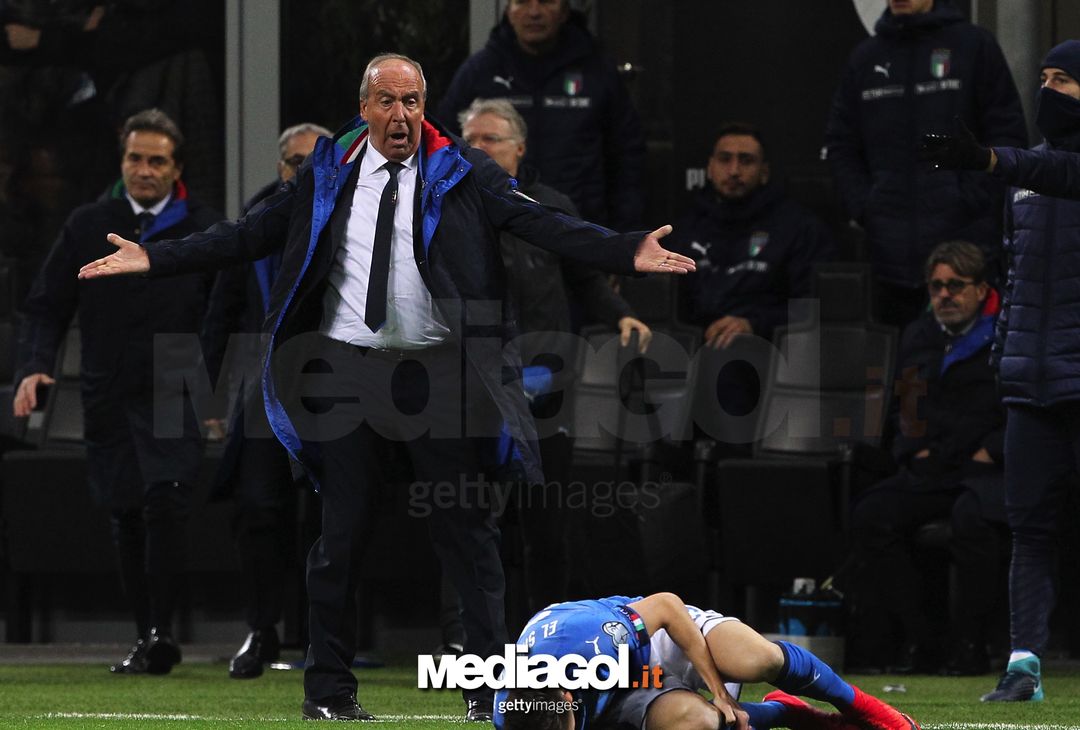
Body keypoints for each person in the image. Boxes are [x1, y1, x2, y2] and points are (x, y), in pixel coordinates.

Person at [75, 54, 694, 722]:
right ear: (365, 105)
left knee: (468, 536)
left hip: (438, 376)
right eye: (389, 101)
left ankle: (487, 694)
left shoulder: (462, 171)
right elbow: (248, 233)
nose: (401, 116)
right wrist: (153, 258)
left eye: (413, 102)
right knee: (338, 537)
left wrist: (624, 250)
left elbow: (540, 221)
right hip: (347, 374)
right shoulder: (325, 173)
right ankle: (328, 693)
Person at [13, 108, 220, 675]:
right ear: (121, 160)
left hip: (175, 378)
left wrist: (220, 390)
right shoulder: (88, 223)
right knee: (126, 512)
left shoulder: (201, 224)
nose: (144, 170)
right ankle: (148, 634)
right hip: (107, 385)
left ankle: (161, 628)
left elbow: (225, 311)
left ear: (176, 166)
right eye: (135, 158)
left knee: (166, 500)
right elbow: (46, 305)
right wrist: (33, 366)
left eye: (157, 160)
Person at [835, 241, 1006, 675]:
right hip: (932, 468)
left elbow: (1020, 404)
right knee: (872, 514)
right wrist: (914, 449)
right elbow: (905, 406)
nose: (944, 295)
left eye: (955, 286)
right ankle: (919, 639)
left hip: (986, 468)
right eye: (936, 286)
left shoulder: (1008, 332)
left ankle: (971, 645)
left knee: (973, 521)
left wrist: (994, 448)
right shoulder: (920, 334)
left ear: (982, 288)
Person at [200, 122, 331, 679]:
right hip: (265, 393)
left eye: (315, 162)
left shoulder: (357, 218)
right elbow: (222, 312)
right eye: (295, 163)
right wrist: (206, 395)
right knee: (258, 510)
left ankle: (324, 638)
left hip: (336, 388)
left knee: (331, 516)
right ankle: (263, 629)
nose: (303, 172)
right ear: (281, 169)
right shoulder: (253, 227)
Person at [972, 40, 1080, 703]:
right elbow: (1012, 276)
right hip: (1031, 383)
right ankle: (1023, 670)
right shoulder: (1024, 179)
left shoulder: (1038, 172)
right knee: (1029, 531)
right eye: (1041, 78)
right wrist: (1004, 355)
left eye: (1063, 79)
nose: (1047, 91)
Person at [824, 0, 1026, 328]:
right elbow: (841, 144)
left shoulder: (974, 45)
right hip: (890, 260)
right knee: (905, 374)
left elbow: (1007, 135)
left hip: (966, 256)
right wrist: (867, 206)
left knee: (968, 373)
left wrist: (972, 199)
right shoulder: (866, 58)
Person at [494, 591, 921, 730]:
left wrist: (718, 690)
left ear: (568, 694)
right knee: (697, 723)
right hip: (624, 689)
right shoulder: (510, 708)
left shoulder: (597, 641)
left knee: (758, 660)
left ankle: (862, 705)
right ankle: (787, 713)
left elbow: (665, 605)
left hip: (660, 638)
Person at [668, 122, 833, 445]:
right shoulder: (685, 230)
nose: (734, 170)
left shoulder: (798, 229)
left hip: (766, 348)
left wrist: (753, 324)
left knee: (729, 361)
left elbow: (812, 307)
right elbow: (673, 303)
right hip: (694, 346)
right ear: (710, 167)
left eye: (746, 161)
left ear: (764, 171)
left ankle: (730, 476)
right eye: (725, 159)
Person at [437, 0, 646, 231]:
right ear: (509, 11)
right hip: (497, 230)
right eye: (522, 2)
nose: (534, 12)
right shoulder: (479, 71)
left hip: (583, 231)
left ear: (564, 11)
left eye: (546, 1)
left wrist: (624, 238)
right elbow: (442, 149)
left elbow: (627, 159)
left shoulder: (598, 71)